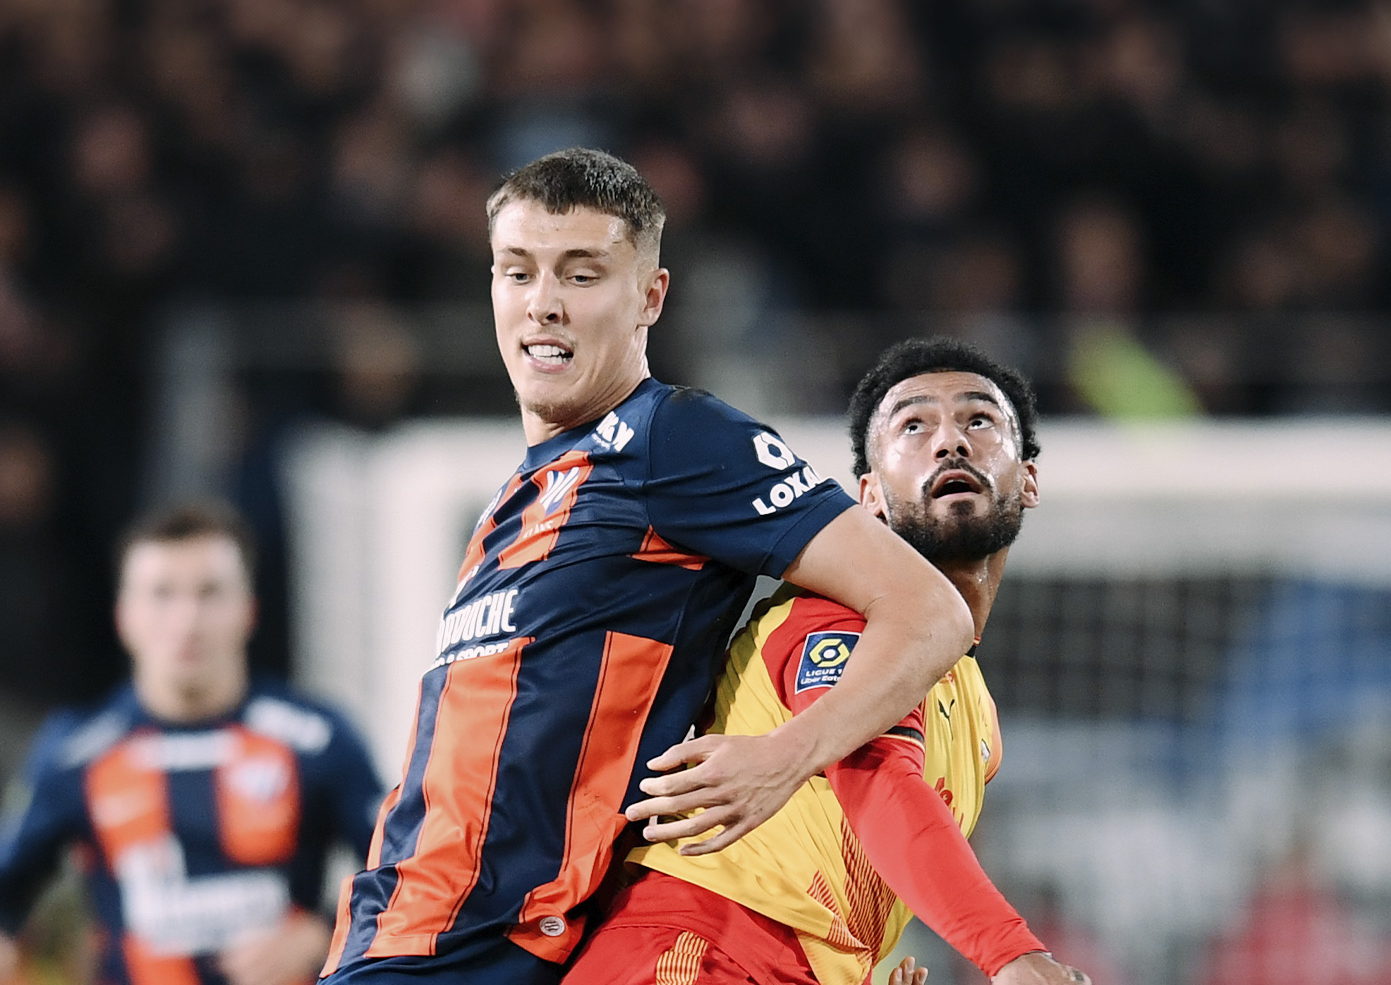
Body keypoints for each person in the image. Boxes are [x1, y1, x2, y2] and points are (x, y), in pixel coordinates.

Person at [320, 149, 973, 983]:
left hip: (486, 943)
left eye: (581, 275)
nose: (543, 303)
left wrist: (785, 756)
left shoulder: (674, 439)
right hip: (399, 930)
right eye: (517, 272)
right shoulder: (510, 501)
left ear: (650, 297)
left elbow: (929, 611)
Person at [563, 338, 1092, 985]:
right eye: (914, 426)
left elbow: (841, 862)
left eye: (978, 420)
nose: (950, 442)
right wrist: (1010, 954)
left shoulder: (979, 718)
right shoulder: (838, 616)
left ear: (1029, 480)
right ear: (869, 496)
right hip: (691, 952)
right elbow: (872, 773)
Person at [0, 501, 386, 985]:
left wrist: (323, 933)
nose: (186, 620)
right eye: (162, 595)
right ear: (124, 617)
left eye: (210, 593)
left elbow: (402, 875)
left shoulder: (318, 739)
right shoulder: (76, 751)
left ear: (249, 610)